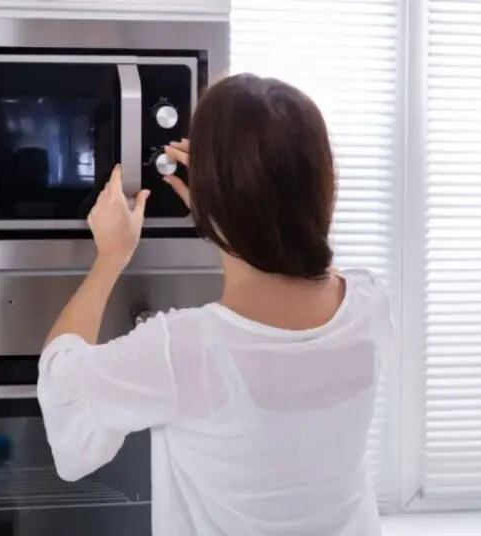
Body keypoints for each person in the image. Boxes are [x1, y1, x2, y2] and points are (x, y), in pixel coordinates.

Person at [37, 73, 393, 536]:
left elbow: (65, 392)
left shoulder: (184, 350)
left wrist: (111, 258)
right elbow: (298, 267)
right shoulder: (369, 302)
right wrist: (221, 206)